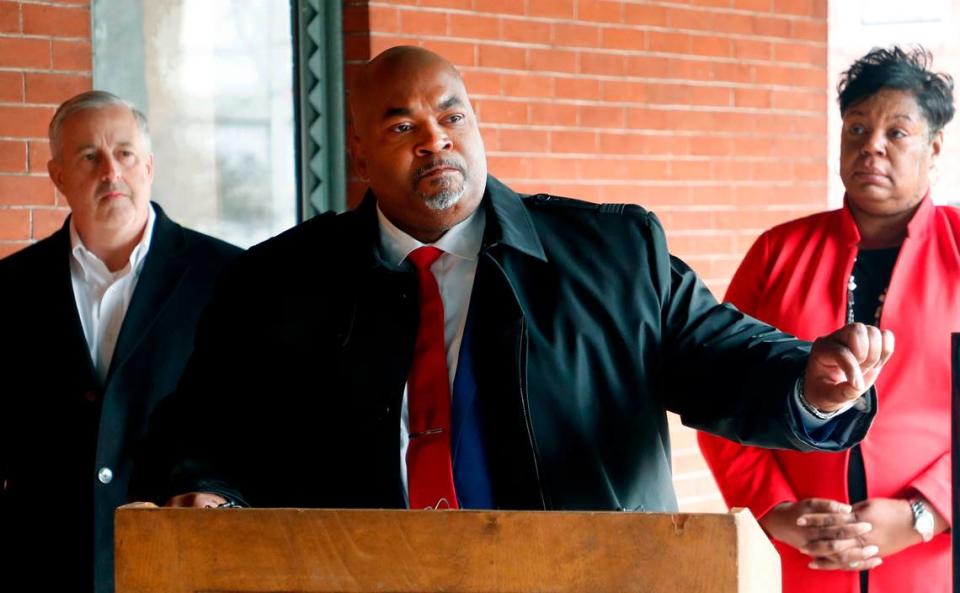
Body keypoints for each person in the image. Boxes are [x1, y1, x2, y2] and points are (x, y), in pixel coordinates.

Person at [135, 46, 892, 520]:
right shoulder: (277, 279)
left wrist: (810, 384)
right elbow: (204, 421)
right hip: (355, 577)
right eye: (401, 126)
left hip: (585, 581)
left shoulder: (616, 252)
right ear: (360, 155)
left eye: (451, 115)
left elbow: (722, 357)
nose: (435, 139)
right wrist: (205, 485)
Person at [698, 46, 953, 593]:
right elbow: (721, 388)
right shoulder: (778, 253)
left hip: (934, 559)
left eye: (896, 132)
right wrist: (774, 509)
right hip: (800, 560)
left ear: (934, 148)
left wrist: (925, 513)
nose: (871, 147)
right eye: (856, 129)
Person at [0, 91, 242, 593]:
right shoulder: (10, 287)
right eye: (89, 156)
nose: (110, 171)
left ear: (148, 165)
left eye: (125, 153)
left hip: (180, 565)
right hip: (38, 565)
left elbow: (257, 417)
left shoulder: (228, 276)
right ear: (58, 176)